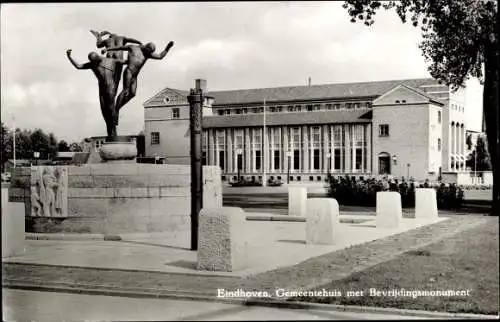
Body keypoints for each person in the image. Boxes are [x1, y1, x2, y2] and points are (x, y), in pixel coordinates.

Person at [66, 49, 125, 138]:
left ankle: (113, 131)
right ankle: (110, 131)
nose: (94, 64)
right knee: (104, 110)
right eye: (92, 62)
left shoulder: (111, 61)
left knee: (110, 108)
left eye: (95, 62)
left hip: (110, 87)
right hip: (101, 88)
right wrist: (69, 56)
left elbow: (125, 62)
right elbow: (78, 66)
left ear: (98, 58)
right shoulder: (92, 64)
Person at [105, 41, 174, 111]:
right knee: (125, 91)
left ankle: (117, 107)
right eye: (148, 51)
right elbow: (120, 47)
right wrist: (107, 49)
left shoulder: (147, 54)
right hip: (129, 72)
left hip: (135, 76)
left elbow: (160, 56)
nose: (149, 53)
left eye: (150, 52)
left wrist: (168, 47)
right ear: (146, 47)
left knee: (132, 93)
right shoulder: (133, 47)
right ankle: (116, 110)